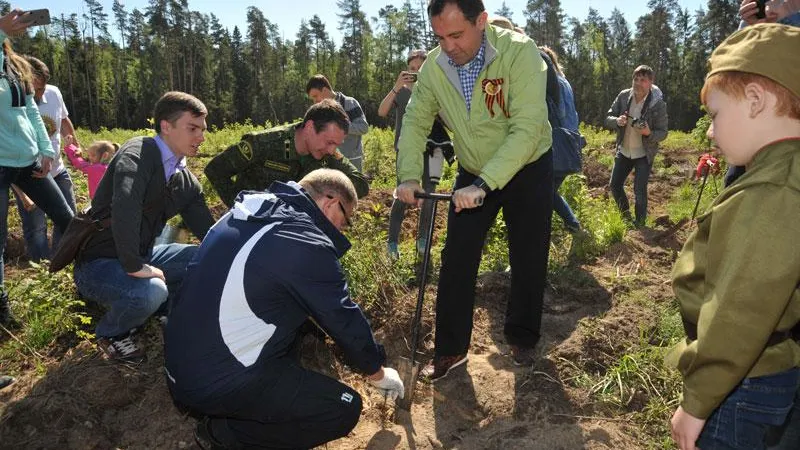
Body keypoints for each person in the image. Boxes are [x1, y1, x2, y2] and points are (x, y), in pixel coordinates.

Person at [164, 169, 404, 450]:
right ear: (330, 203)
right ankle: (225, 434)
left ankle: (233, 413)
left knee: (293, 326)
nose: (341, 230)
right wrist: (377, 372)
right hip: (212, 382)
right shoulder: (304, 240)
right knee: (343, 409)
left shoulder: (250, 212)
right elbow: (342, 317)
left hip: (181, 365)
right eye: (345, 221)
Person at [395, 0, 554, 379]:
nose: (448, 46)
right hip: (473, 167)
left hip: (527, 165)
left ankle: (522, 338)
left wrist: (486, 184)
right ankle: (451, 350)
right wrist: (408, 177)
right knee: (457, 257)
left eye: (456, 35)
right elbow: (416, 121)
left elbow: (528, 128)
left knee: (528, 254)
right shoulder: (435, 67)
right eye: (439, 36)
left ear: (481, 21)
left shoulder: (519, 53)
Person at [667, 24, 800, 450]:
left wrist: (697, 401)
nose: (710, 132)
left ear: (757, 102)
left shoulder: (773, 190)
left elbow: (739, 313)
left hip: (743, 386)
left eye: (715, 116)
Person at [73, 91, 214, 362]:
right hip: (98, 265)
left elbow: (209, 233)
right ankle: (112, 333)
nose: (201, 137)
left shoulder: (184, 181)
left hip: (143, 256)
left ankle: (165, 310)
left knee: (204, 257)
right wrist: (135, 267)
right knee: (152, 291)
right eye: (192, 128)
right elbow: (125, 204)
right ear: (166, 126)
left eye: (203, 130)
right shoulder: (137, 153)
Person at [0, 11, 74, 328]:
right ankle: (3, 313)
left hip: (28, 161)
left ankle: (84, 278)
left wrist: (45, 149)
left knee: (67, 218)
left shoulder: (16, 66)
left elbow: (31, 110)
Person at [205, 99, 369, 208]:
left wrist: (325, 191)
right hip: (251, 225)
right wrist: (238, 205)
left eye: (337, 145)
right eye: (330, 142)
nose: (332, 150)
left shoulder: (327, 153)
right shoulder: (264, 144)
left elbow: (361, 184)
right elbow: (216, 169)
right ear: (310, 127)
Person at [378, 48, 454, 259]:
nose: (415, 72)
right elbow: (381, 112)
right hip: (407, 148)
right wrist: (397, 86)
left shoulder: (436, 89)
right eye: (411, 68)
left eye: (420, 68)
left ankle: (423, 241)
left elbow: (450, 121)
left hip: (434, 147)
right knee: (402, 194)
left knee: (429, 194)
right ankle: (392, 243)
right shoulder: (401, 91)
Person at [12, 55, 79, 262]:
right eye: (35, 88)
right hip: (29, 177)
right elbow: (7, 157)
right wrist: (23, 195)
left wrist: (76, 145)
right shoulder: (11, 106)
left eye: (42, 87)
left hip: (58, 170)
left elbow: (64, 119)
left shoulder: (54, 93)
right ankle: (42, 268)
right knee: (36, 228)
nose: (40, 94)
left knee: (70, 219)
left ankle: (61, 262)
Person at [604, 65, 669, 227]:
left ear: (651, 82)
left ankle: (640, 225)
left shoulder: (658, 104)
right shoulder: (624, 96)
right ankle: (626, 219)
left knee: (639, 190)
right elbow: (608, 118)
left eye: (643, 80)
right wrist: (617, 121)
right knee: (615, 185)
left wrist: (648, 133)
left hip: (643, 154)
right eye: (636, 79)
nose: (638, 83)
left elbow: (663, 132)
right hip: (624, 151)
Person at [539, 45, 585, 234]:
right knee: (547, 192)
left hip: (556, 142)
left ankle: (572, 224)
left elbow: (559, 113)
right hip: (570, 141)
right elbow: (572, 114)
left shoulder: (551, 84)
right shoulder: (565, 82)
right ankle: (568, 225)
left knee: (545, 191)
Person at [305, 75, 369, 171]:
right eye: (312, 99)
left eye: (315, 96)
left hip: (352, 160)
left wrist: (340, 127)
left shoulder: (350, 103)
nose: (314, 101)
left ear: (325, 90)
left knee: (354, 186)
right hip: (329, 161)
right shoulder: (319, 110)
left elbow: (363, 127)